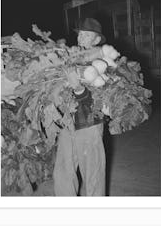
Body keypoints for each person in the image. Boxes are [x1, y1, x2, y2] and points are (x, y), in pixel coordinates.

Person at [53, 18, 108, 196]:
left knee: (93, 174)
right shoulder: (72, 56)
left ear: (97, 40)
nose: (81, 38)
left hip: (89, 123)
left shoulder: (104, 61)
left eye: (86, 35)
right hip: (68, 122)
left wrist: (78, 88)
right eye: (80, 34)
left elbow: (103, 96)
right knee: (62, 172)